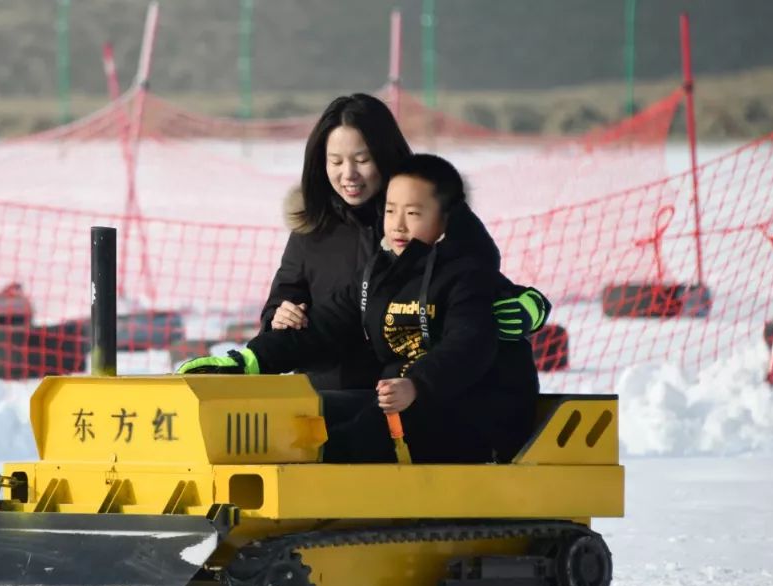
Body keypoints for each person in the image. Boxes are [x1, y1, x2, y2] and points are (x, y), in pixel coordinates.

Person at [181, 154, 539, 465]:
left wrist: (416, 384)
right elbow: (326, 324)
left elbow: (467, 348)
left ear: (446, 220)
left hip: (475, 413)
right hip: (408, 402)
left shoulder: (468, 275)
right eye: (390, 211)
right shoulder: (382, 273)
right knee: (303, 418)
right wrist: (251, 362)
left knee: (340, 443)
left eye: (413, 213)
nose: (398, 225)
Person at [260, 93, 549, 391]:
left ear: (384, 155)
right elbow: (282, 302)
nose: (348, 174)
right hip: (327, 394)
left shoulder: (430, 213)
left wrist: (530, 308)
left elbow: (480, 282)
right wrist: (279, 317)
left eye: (362, 160)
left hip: (410, 397)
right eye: (336, 162)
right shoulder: (312, 226)